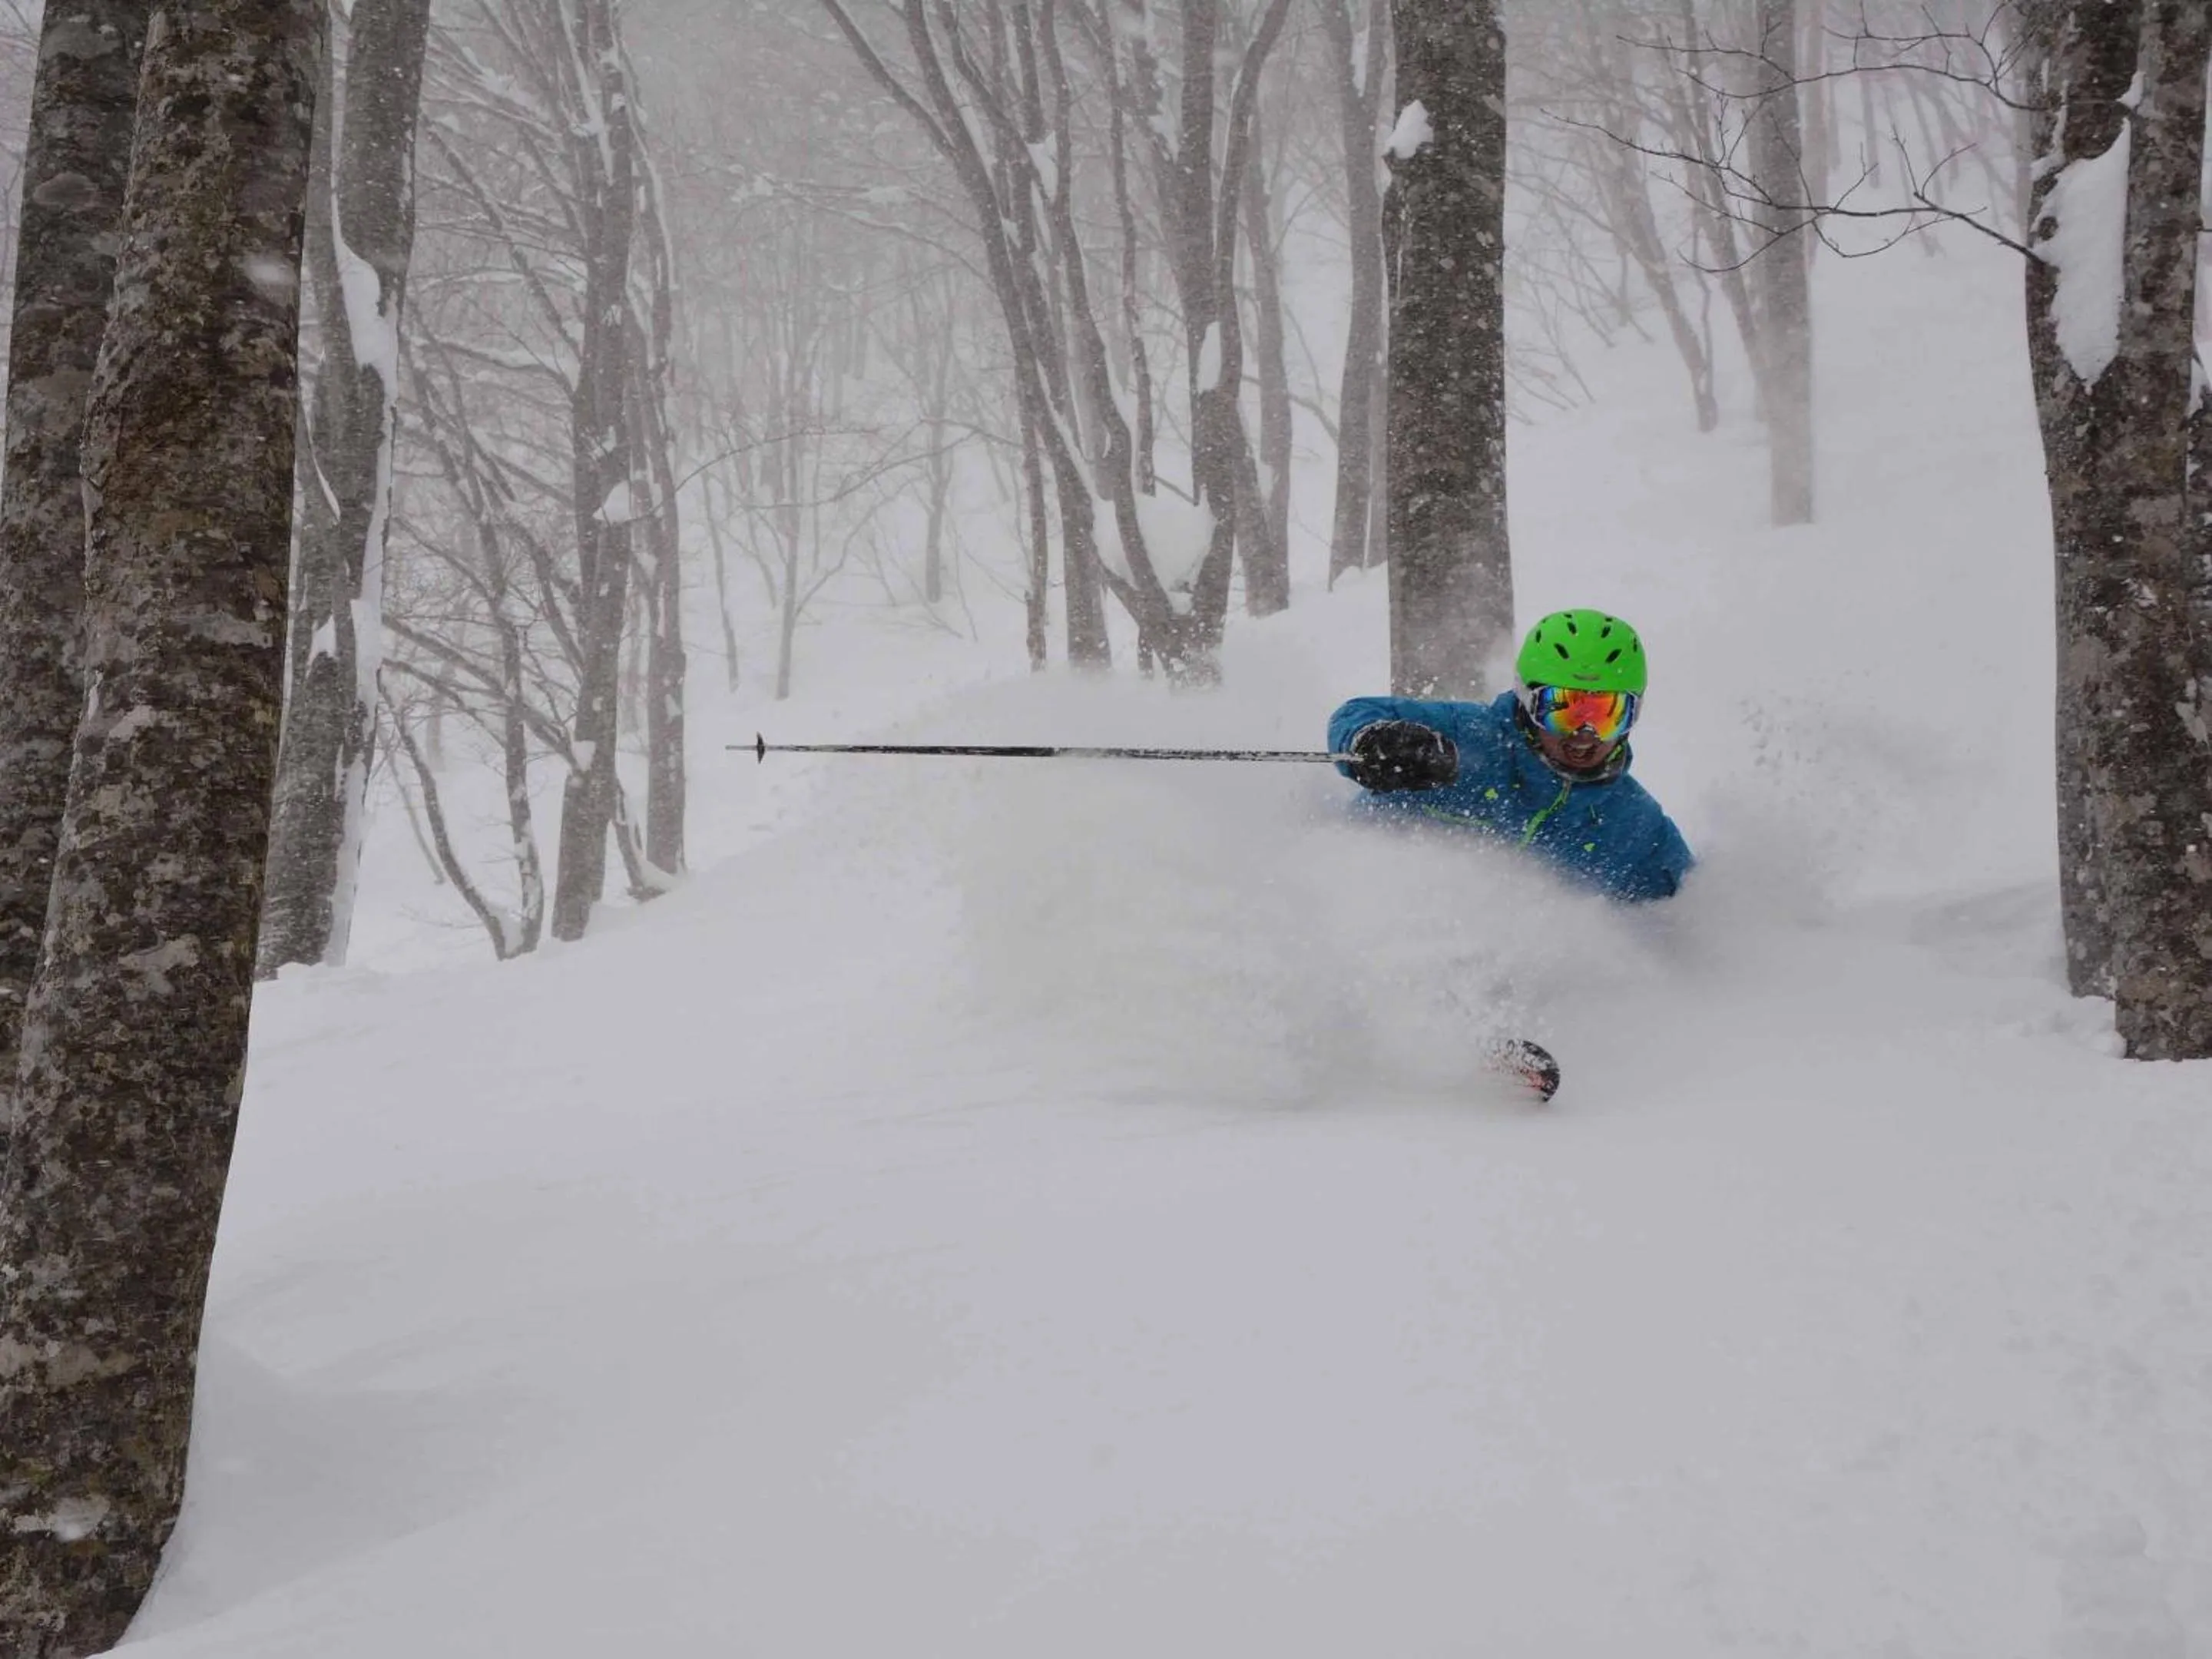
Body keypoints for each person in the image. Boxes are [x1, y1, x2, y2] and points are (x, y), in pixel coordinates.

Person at [1328, 609, 1694, 902]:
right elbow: (1357, 714)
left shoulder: (1633, 825)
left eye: (1607, 714)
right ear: (1527, 700)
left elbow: (1686, 922)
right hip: (1353, 902)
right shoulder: (1471, 739)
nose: (1585, 734)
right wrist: (1375, 741)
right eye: (1563, 710)